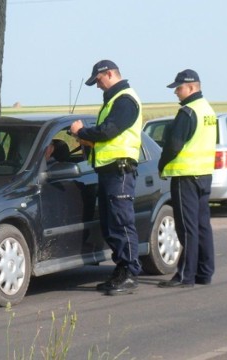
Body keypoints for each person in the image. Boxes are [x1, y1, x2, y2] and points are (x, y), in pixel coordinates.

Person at [69, 60, 143, 295]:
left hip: (119, 171)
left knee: (121, 223)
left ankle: (130, 272)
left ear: (110, 74)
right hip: (109, 170)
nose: (98, 86)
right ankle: (121, 270)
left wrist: (81, 132)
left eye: (99, 81)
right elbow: (106, 138)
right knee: (111, 224)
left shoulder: (124, 100)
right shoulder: (114, 100)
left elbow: (108, 131)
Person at [157, 69, 217, 288]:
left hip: (185, 176)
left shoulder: (188, 112)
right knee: (202, 226)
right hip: (204, 174)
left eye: (178, 88)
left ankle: (186, 275)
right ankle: (205, 272)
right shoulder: (208, 110)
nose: (176, 93)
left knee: (186, 227)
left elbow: (174, 145)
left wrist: (162, 163)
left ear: (192, 87)